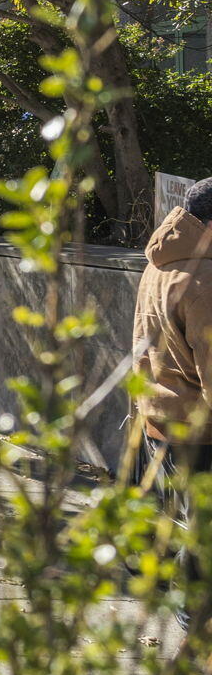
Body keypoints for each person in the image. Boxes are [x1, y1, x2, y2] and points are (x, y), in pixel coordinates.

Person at [131, 176, 212, 588]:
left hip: (159, 417)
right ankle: (192, 624)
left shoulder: (160, 261)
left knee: (185, 525)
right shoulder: (203, 280)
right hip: (199, 429)